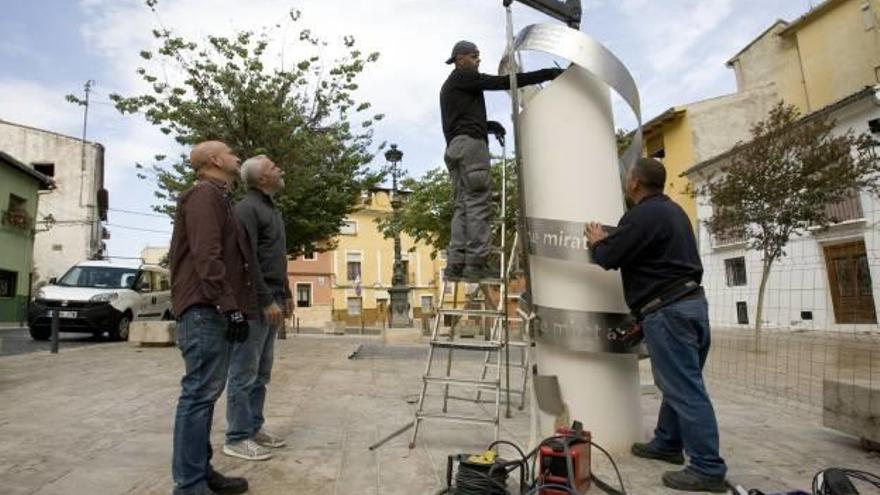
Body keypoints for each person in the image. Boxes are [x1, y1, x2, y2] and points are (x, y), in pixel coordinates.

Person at [584, 157, 728, 493]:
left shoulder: (642, 216)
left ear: (634, 183)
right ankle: (667, 442)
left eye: (628, 177)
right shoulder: (673, 212)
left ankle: (708, 469)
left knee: (684, 389)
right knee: (679, 382)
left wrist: (596, 241)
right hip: (692, 306)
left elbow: (608, 257)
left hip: (668, 312)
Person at [170, 140, 256, 495]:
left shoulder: (217, 197)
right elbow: (208, 256)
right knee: (198, 394)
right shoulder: (204, 195)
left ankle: (200, 472)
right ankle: (189, 484)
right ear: (217, 160)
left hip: (211, 306)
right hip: (204, 308)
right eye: (231, 152)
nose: (237, 156)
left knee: (204, 394)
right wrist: (229, 305)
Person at [440, 40, 563, 281]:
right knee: (477, 203)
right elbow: (502, 82)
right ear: (460, 58)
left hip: (455, 148)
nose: (478, 60)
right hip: (471, 147)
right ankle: (476, 263)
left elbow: (460, 121)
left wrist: (487, 126)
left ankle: (456, 264)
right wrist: (549, 73)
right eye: (474, 56)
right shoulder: (463, 76)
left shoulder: (450, 86)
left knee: (462, 205)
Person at [223, 155, 293, 461]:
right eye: (274, 168)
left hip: (273, 297)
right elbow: (246, 259)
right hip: (254, 303)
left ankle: (253, 427)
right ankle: (236, 437)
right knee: (244, 372)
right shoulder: (246, 209)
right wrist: (265, 300)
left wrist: (286, 293)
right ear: (262, 179)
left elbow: (276, 257)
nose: (281, 169)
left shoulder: (271, 209)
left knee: (261, 373)